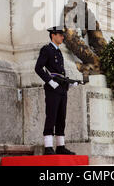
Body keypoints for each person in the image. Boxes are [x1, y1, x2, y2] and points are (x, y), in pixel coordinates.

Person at [34, 26, 77, 155]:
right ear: (53, 35)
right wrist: (50, 81)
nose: (62, 37)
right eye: (60, 35)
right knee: (51, 116)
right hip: (52, 88)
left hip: (61, 88)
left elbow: (60, 73)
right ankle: (48, 146)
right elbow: (38, 68)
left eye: (62, 35)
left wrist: (68, 83)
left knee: (61, 117)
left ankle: (60, 146)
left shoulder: (59, 52)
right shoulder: (47, 49)